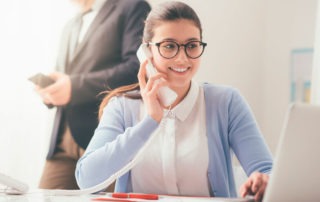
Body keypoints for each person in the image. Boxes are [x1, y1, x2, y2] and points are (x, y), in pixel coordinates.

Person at [75, 1, 273, 200]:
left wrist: (265, 180)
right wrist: (150, 122)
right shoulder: (122, 107)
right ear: (147, 52)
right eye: (169, 46)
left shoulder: (226, 102)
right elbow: (87, 179)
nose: (182, 58)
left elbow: (267, 171)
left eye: (192, 46)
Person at [35, 0, 151, 190]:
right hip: (62, 140)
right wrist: (51, 92)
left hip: (105, 134)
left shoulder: (132, 7)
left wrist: (74, 87)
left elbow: (136, 68)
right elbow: (65, 75)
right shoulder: (70, 25)